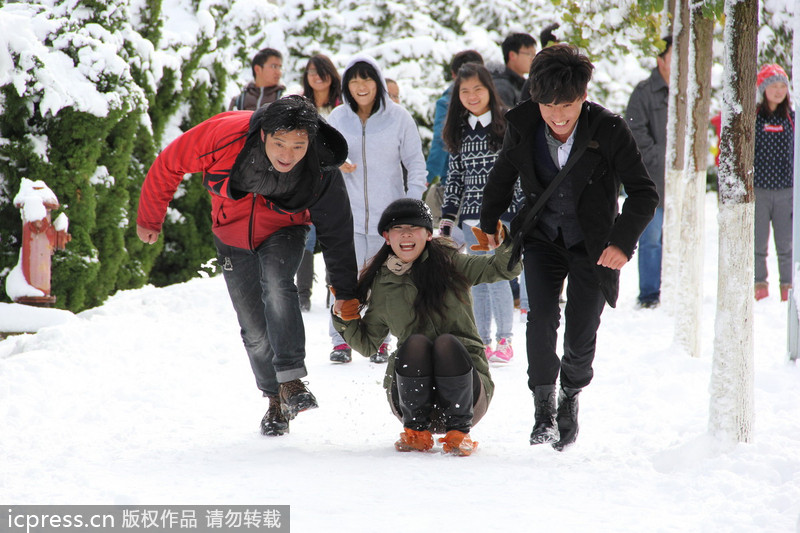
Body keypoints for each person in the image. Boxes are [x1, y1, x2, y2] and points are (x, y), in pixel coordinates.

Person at [137, 95, 360, 437]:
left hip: (285, 229)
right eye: (279, 143)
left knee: (277, 282)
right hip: (230, 234)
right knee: (254, 331)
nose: (288, 155)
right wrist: (151, 217)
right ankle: (275, 400)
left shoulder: (319, 166)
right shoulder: (223, 135)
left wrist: (346, 293)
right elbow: (169, 162)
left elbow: (338, 231)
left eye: (299, 146)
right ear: (263, 135)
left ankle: (292, 380)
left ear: (310, 142)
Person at [479, 44, 658, 451]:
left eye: (567, 106)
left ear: (583, 96)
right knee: (540, 318)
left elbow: (644, 194)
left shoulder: (609, 129)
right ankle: (543, 409)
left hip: (593, 245)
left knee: (580, 334)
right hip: (542, 238)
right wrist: (489, 222)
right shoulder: (522, 122)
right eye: (548, 106)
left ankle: (570, 395)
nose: (557, 116)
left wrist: (620, 242)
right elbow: (504, 173)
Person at [331, 198, 522, 455]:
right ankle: (415, 432)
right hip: (410, 401)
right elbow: (367, 345)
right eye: (398, 229)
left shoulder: (452, 264)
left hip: (467, 396)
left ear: (429, 235)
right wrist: (344, 316)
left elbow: (504, 269)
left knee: (446, 343)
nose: (406, 234)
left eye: (414, 228)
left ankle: (458, 433)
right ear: (387, 237)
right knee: (415, 343)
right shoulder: (382, 284)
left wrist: (502, 243)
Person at [326, 54, 428, 364]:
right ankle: (340, 340)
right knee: (343, 279)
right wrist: (335, 163)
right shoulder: (337, 118)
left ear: (378, 83)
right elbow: (320, 160)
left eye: (366, 79)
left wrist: (410, 211)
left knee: (384, 283)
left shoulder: (399, 118)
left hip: (390, 221)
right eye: (353, 80)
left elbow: (416, 165)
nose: (360, 86)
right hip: (348, 216)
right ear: (346, 86)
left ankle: (379, 339)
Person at [439, 63, 521, 363]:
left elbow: (519, 173)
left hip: (503, 218)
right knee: (478, 281)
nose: (472, 96)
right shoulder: (459, 132)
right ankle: (483, 341)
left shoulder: (507, 124)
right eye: (465, 91)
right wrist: (447, 220)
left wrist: (517, 215)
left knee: (499, 278)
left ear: (490, 89)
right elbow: (455, 179)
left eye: (478, 89)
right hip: (472, 219)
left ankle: (505, 341)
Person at [625, 36, 671, 309]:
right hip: (652, 181)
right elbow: (634, 133)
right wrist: (663, 159)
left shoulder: (688, 91)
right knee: (651, 239)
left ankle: (674, 290)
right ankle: (650, 295)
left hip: (682, 182)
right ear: (660, 60)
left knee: (678, 237)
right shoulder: (643, 92)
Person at [296, 54, 343, 311]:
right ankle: (303, 293)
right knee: (307, 235)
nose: (316, 76)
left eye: (321, 71)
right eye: (311, 71)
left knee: (333, 236)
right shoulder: (301, 103)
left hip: (339, 180)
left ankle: (332, 288)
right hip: (307, 180)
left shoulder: (344, 105)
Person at [425, 50, 485, 229]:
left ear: (453, 74)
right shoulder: (492, 98)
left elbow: (441, 140)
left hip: (455, 180)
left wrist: (427, 174)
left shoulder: (446, 102)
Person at [753, 64, 795, 301]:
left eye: (782, 86)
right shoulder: (755, 116)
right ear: (764, 88)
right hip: (759, 190)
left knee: (786, 245)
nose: (779, 91)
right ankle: (760, 286)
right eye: (774, 86)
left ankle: (787, 288)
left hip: (785, 192)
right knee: (758, 243)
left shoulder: (792, 118)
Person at [492, 33, 537, 108]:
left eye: (534, 55)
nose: (533, 59)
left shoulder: (522, 84)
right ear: (512, 55)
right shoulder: (502, 87)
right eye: (529, 54)